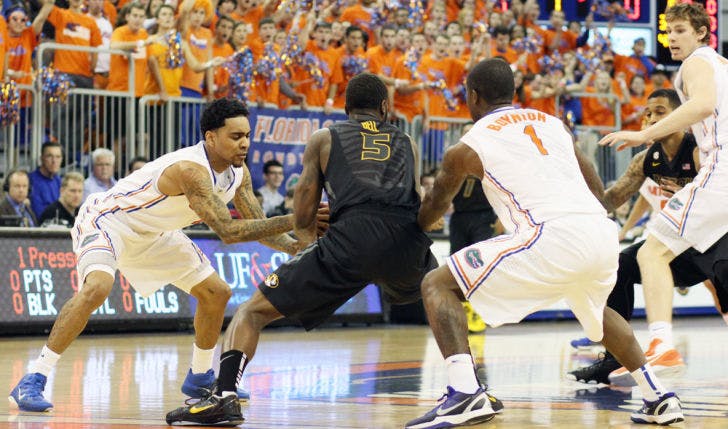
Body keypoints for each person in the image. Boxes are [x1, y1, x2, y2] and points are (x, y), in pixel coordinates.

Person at [405, 59, 683, 428]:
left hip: (548, 235)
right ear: (515, 94)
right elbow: (594, 181)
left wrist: (418, 225)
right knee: (596, 310)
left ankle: (464, 393)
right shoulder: (553, 124)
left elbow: (435, 205)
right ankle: (658, 397)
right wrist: (598, 221)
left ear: (472, 96)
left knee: (437, 283)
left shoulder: (467, 145)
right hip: (597, 231)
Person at [8, 98, 315, 412]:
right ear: (211, 137)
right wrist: (300, 217)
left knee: (216, 293)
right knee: (97, 287)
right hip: (110, 220)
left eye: (247, 136)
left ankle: (199, 376)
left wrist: (295, 245)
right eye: (236, 137)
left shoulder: (239, 173)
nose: (245, 144)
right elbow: (229, 231)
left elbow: (260, 227)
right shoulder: (190, 170)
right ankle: (34, 376)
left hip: (155, 233)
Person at [165, 73, 438, 426]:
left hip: (350, 241)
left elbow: (305, 215)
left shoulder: (326, 137)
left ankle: (225, 397)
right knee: (443, 296)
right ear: (386, 108)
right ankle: (467, 387)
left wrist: (311, 244)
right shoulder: (408, 142)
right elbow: (416, 200)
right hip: (406, 240)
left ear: (345, 108)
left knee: (251, 313)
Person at [599, 2, 728, 379]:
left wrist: (643, 134)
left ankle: (662, 345)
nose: (671, 39)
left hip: (720, 173)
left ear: (703, 32)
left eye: (681, 31)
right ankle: (660, 344)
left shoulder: (697, 63)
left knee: (652, 252)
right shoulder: (723, 66)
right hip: (719, 175)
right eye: (668, 32)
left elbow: (703, 106)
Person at [569, 88, 728, 384]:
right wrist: (576, 177)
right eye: (648, 113)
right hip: (678, 245)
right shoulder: (647, 159)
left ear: (680, 118)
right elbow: (611, 198)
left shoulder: (698, 150)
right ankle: (616, 359)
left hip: (713, 240)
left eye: (660, 112)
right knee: (619, 266)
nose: (651, 118)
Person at [449, 123, 501, 334]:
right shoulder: (454, 157)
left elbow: (501, 189)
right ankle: (459, 313)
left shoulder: (491, 159)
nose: (468, 135)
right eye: (464, 132)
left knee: (479, 266)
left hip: (483, 216)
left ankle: (478, 312)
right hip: (459, 217)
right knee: (456, 266)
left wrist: (500, 218)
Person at [28, 142, 63, 217]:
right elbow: (39, 214)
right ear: (42, 158)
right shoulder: (31, 181)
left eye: (58, 157)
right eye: (50, 156)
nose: (54, 161)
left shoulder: (58, 180)